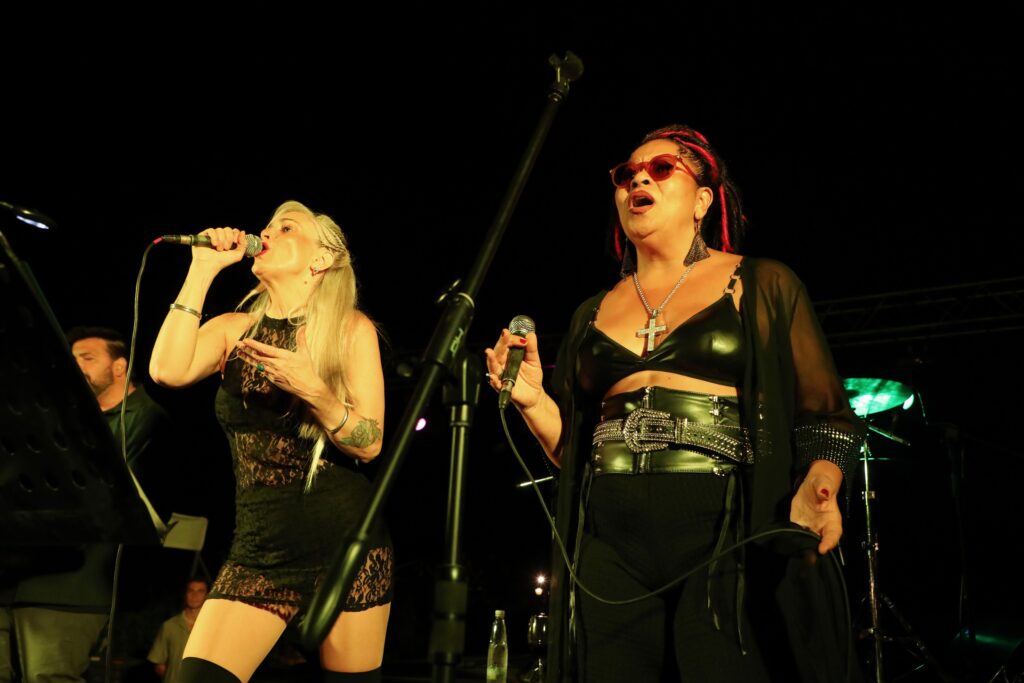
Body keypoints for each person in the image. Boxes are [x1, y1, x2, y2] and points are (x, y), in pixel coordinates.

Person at [485, 125, 864, 682]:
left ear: (703, 200)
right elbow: (574, 456)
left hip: (721, 527)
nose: (638, 179)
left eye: (662, 169)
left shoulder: (760, 282)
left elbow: (827, 416)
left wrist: (821, 481)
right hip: (610, 537)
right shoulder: (592, 311)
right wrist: (532, 399)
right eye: (626, 174)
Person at [149, 200, 391, 683]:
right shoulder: (234, 329)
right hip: (259, 551)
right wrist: (202, 270)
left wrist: (317, 393)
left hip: (344, 544)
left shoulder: (350, 329)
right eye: (268, 226)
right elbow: (167, 370)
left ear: (321, 260)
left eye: (287, 228)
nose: (267, 233)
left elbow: (370, 444)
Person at [8, 327, 172, 683]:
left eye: (88, 358)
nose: (75, 366)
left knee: (49, 675)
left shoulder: (148, 418)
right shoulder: (62, 415)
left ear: (119, 367)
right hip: (17, 576)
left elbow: (128, 505)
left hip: (72, 585)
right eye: (72, 359)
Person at [147, 578, 210, 682]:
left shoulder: (213, 627)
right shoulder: (169, 626)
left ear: (206, 596)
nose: (195, 595)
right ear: (185, 594)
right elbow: (160, 665)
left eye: (200, 591)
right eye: (191, 590)